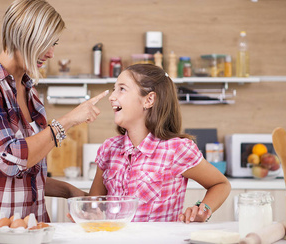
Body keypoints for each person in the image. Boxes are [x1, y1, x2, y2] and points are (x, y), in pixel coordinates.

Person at [0, 0, 108, 222]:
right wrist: (68, 120)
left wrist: (69, 192)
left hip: (28, 228)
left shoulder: (30, 94)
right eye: (46, 43)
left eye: (54, 44)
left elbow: (27, 174)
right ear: (22, 37)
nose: (51, 53)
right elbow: (11, 160)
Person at [89, 63, 231, 223]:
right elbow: (94, 204)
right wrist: (89, 213)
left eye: (122, 89)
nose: (112, 96)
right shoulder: (109, 148)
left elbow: (221, 184)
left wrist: (202, 209)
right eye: (114, 88)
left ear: (149, 100)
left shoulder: (177, 149)